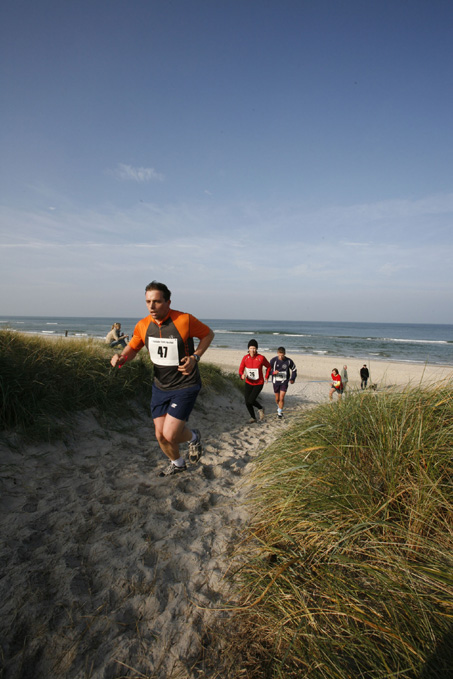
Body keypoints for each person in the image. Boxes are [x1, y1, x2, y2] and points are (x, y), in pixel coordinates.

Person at [110, 281, 214, 477]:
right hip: (160, 386)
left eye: (157, 301)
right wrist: (122, 358)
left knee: (170, 434)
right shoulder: (143, 325)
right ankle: (178, 463)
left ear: (168, 302)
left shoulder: (184, 320)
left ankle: (193, 437)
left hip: (185, 384)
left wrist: (195, 357)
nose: (151, 306)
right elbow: (133, 347)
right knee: (160, 435)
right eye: (148, 301)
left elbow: (208, 334)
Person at [239, 339, 271, 423]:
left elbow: (269, 367)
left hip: (258, 383)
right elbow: (240, 369)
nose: (252, 350)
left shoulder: (261, 358)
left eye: (254, 348)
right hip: (249, 382)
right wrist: (242, 376)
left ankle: (260, 408)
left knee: (251, 400)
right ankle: (253, 417)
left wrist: (267, 376)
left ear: (256, 349)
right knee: (247, 402)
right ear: (248, 349)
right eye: (251, 348)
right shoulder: (245, 358)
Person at [269, 346, 297, 419]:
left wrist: (292, 378)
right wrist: (273, 372)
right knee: (277, 399)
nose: (281, 357)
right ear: (277, 353)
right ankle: (279, 406)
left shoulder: (288, 361)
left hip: (284, 382)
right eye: (279, 355)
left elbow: (294, 370)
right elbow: (267, 370)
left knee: (281, 398)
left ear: (285, 354)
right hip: (275, 382)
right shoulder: (273, 360)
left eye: (282, 355)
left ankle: (279, 413)